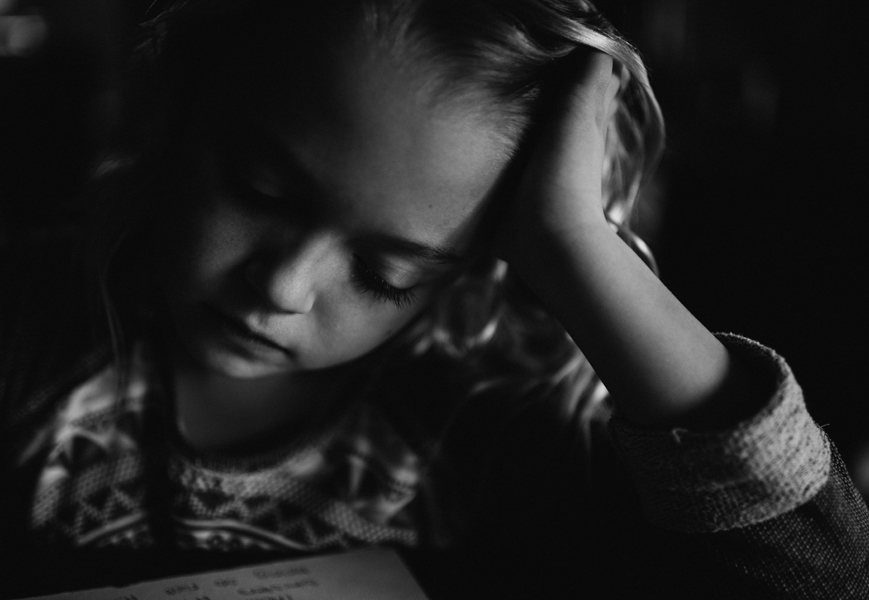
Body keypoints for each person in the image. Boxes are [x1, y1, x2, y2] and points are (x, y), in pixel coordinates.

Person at [1, 1, 867, 598]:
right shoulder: (31, 327)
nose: (281, 287)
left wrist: (576, 250)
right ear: (180, 103)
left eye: (390, 275)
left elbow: (825, 580)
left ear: (471, 269)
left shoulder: (509, 414)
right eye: (260, 190)